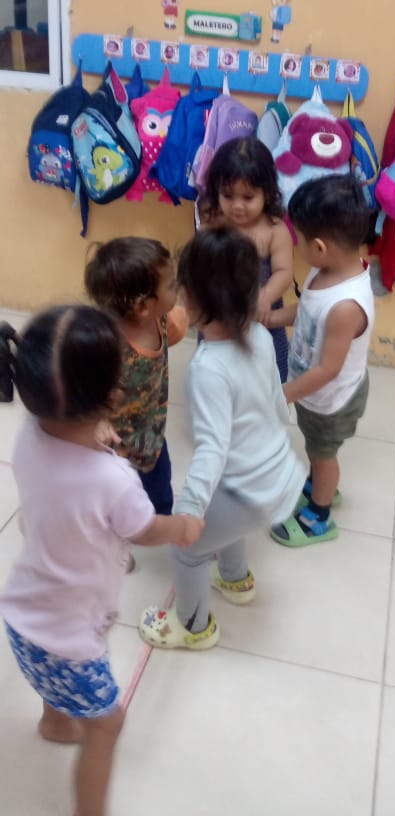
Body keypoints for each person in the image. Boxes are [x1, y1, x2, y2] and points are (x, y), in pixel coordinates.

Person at [0, 305, 203, 816]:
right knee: (108, 724)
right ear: (113, 397)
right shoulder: (114, 481)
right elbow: (144, 529)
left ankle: (54, 721)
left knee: (57, 688)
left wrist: (94, 432)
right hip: (69, 640)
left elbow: (67, 457)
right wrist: (181, 527)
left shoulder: (29, 434)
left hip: (22, 617)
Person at [139, 227, 305, 651]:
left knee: (187, 551)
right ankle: (235, 578)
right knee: (225, 516)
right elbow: (275, 398)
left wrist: (188, 514)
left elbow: (212, 448)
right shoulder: (261, 336)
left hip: (245, 488)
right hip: (277, 474)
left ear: (192, 301)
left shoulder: (208, 368)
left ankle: (193, 626)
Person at [268, 175, 375, 547]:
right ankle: (319, 484)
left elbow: (329, 369)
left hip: (333, 399)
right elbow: (309, 312)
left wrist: (285, 393)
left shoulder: (347, 306)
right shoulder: (326, 270)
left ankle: (320, 514)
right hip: (313, 390)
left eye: (299, 239)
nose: (298, 246)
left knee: (322, 453)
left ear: (319, 246)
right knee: (316, 448)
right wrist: (273, 318)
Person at [85, 236, 186, 516]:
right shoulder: (106, 346)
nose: (177, 288)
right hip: (115, 450)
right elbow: (81, 388)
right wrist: (98, 420)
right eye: (171, 285)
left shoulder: (159, 316)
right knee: (114, 504)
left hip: (152, 436)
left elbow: (182, 323)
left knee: (160, 496)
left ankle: (161, 522)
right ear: (142, 306)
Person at [204, 136, 294, 382]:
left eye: (248, 197)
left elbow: (284, 272)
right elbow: (201, 262)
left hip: (261, 316)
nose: (237, 206)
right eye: (227, 195)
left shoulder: (274, 229)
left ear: (267, 193)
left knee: (266, 375)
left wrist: (265, 296)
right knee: (218, 373)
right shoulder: (213, 222)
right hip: (219, 314)